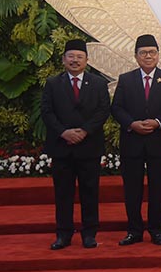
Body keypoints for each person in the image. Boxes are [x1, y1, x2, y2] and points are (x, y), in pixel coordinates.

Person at [110, 34, 161, 246]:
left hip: (159, 141)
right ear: (136, 56)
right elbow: (116, 108)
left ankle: (157, 230)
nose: (148, 56)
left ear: (158, 55)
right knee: (132, 188)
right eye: (143, 53)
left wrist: (158, 122)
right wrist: (132, 124)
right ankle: (134, 230)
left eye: (152, 52)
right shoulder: (126, 79)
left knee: (158, 188)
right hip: (132, 142)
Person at [41, 39, 110, 250]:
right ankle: (63, 234)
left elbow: (103, 110)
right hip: (62, 147)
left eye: (80, 57)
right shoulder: (53, 83)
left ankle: (89, 234)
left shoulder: (98, 83)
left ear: (87, 60)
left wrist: (84, 131)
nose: (75, 60)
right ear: (63, 60)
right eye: (71, 56)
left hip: (89, 146)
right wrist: (64, 132)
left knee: (90, 192)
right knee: (63, 193)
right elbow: (47, 111)